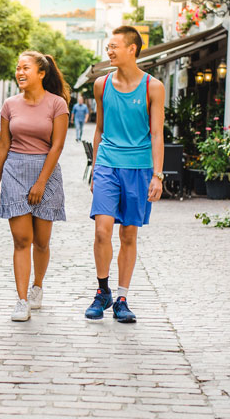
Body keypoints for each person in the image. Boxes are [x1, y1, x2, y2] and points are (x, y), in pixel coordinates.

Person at [85, 26, 164, 323]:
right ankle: (102, 290)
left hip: (139, 167)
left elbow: (157, 134)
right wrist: (95, 168)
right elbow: (100, 129)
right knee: (102, 229)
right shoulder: (101, 85)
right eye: (108, 46)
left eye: (115, 46)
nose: (109, 51)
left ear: (132, 49)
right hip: (107, 163)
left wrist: (158, 175)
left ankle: (121, 298)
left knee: (128, 234)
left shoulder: (152, 87)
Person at [0, 51, 70, 321]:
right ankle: (21, 300)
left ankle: (38, 287)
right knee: (22, 239)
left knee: (42, 242)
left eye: (25, 68)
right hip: (14, 171)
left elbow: (57, 146)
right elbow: (3, 144)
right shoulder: (10, 105)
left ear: (41, 73)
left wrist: (41, 182)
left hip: (45, 172)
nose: (19, 72)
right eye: (17, 68)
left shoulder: (57, 104)